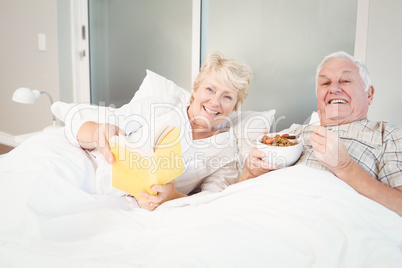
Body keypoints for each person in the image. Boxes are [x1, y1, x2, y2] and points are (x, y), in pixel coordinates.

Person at [74, 51, 252, 211]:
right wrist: (97, 131)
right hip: (88, 179)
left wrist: (172, 196)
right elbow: (80, 129)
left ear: (235, 106)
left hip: (135, 211)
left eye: (227, 96)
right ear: (196, 88)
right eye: (210, 89)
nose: (214, 102)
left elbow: (212, 200)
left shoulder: (226, 153)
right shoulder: (165, 106)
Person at [239, 51, 402, 216]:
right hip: (265, 208)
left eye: (345, 80)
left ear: (369, 94)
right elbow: (237, 193)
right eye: (325, 83)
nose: (334, 88)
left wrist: (346, 167)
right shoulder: (291, 134)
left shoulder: (387, 135)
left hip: (327, 216)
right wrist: (250, 172)